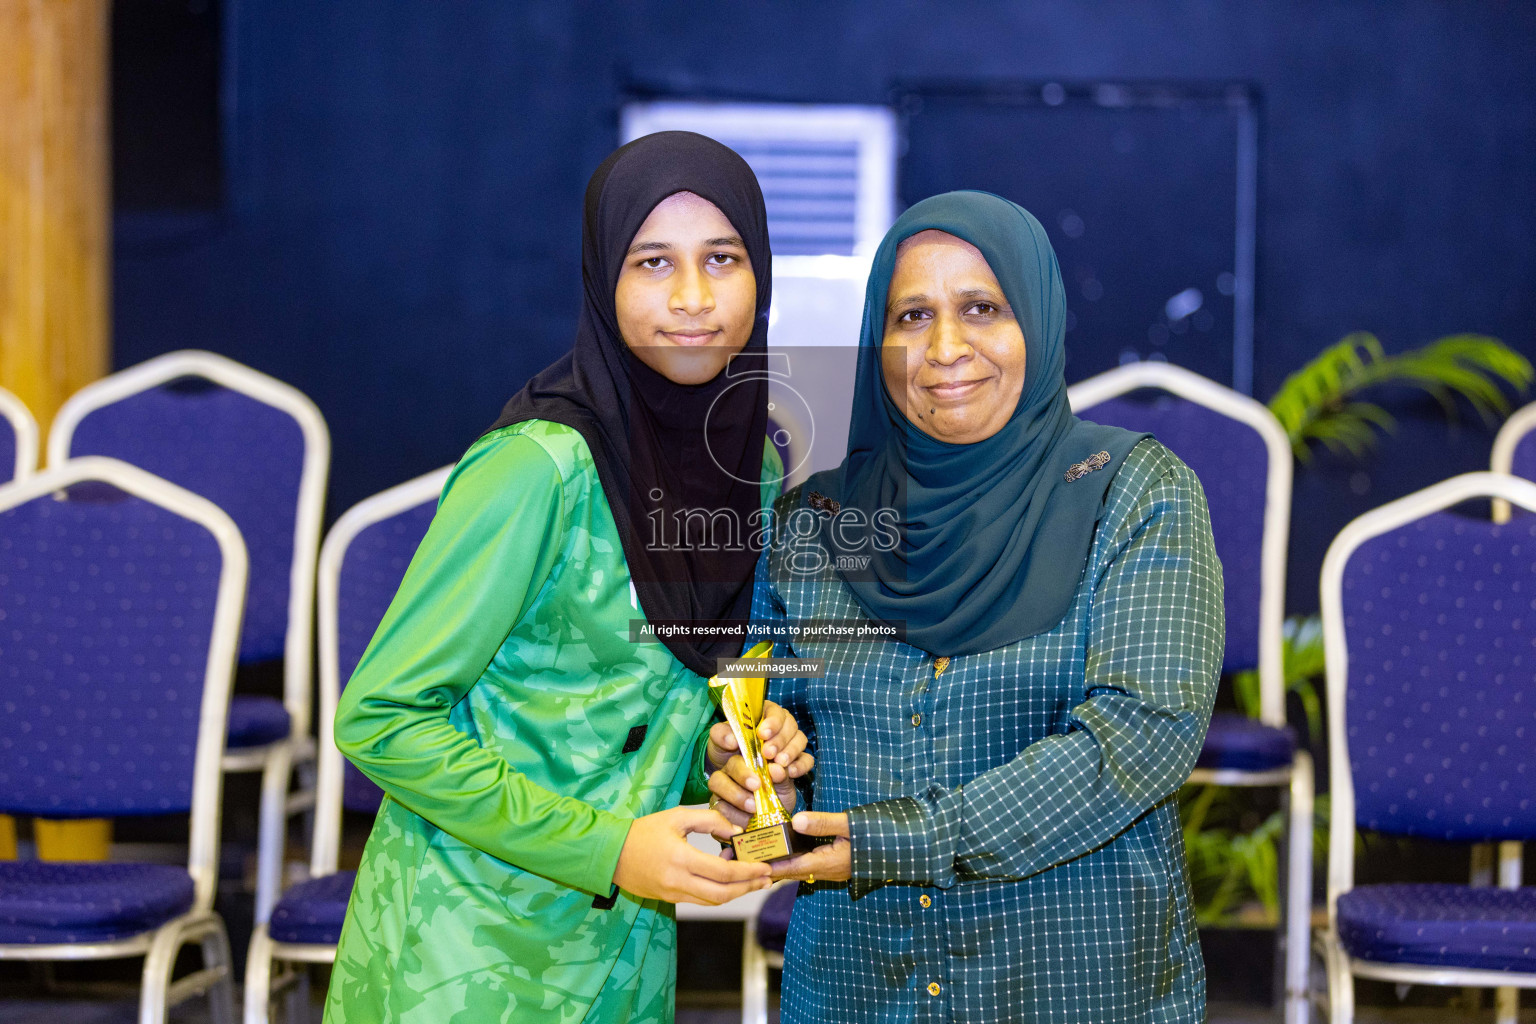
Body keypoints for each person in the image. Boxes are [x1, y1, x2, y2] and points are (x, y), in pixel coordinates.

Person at [324, 132, 811, 1024]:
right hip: (464, 951)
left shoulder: (757, 471)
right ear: (602, 281)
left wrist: (739, 755)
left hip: (624, 960)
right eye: (654, 262)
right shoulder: (537, 468)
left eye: (723, 259)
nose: (694, 298)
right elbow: (379, 717)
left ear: (761, 274)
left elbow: (686, 693)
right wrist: (609, 849)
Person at [710, 190, 1223, 1023]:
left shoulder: (1135, 493)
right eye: (911, 316)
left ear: (1040, 322)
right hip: (856, 986)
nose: (944, 348)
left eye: (982, 308)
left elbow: (1143, 732)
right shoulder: (812, 524)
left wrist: (901, 839)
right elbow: (761, 707)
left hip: (1073, 984)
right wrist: (750, 768)